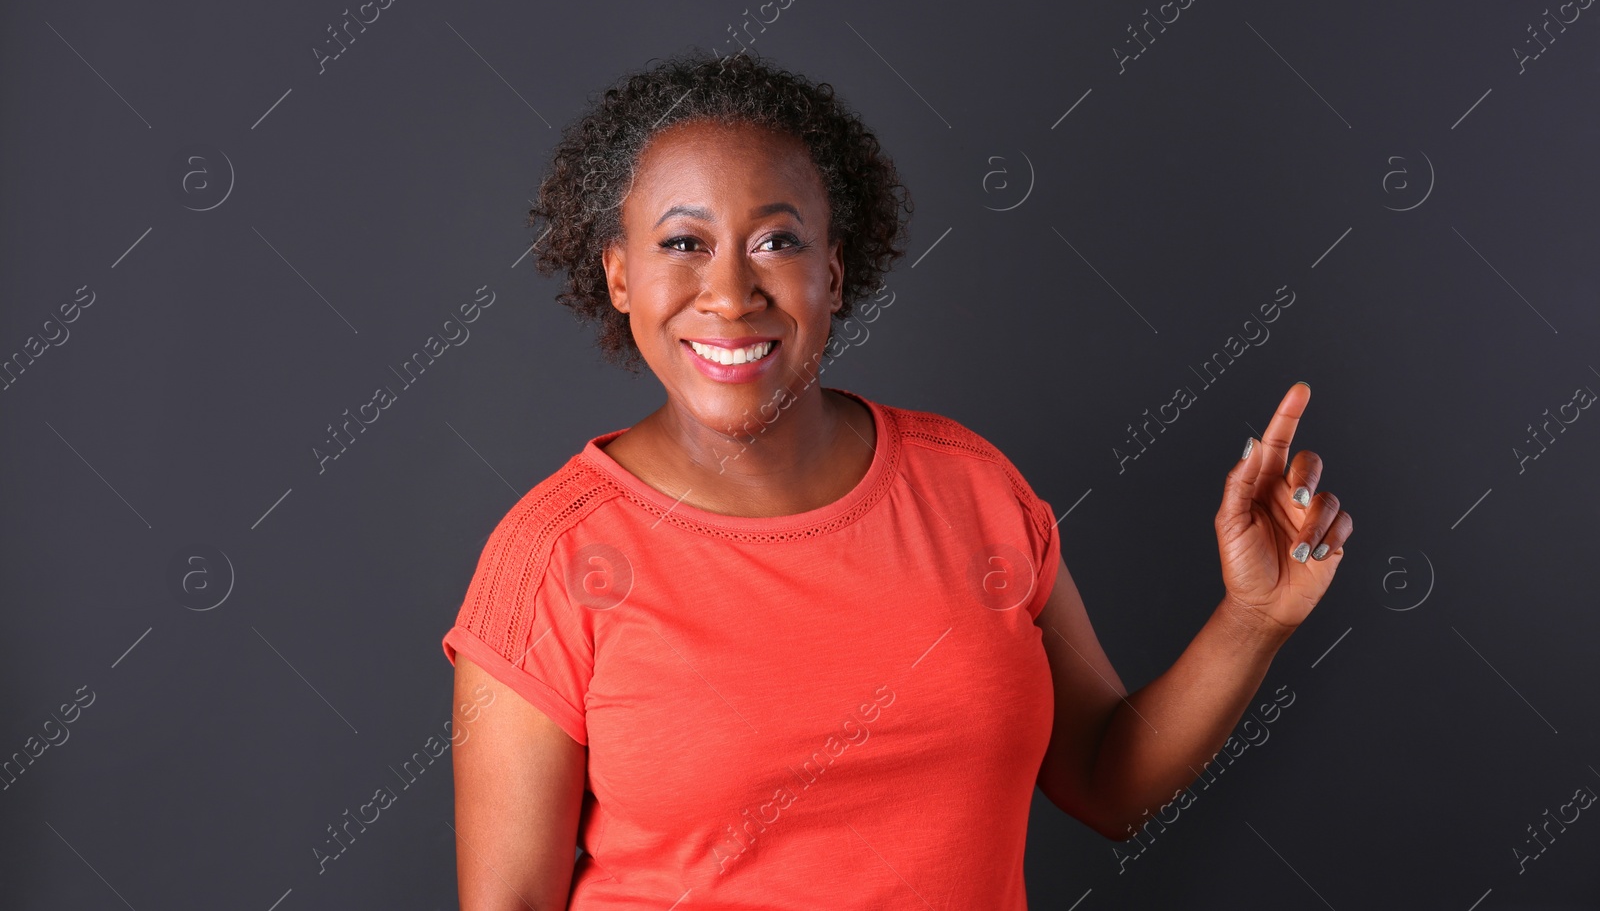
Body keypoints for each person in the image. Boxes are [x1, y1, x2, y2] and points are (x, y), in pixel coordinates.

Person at [441, 50, 1353, 910]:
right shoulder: (553, 555)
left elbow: (1109, 783)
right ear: (619, 276)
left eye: (776, 241)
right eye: (683, 243)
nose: (728, 293)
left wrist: (1254, 618)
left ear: (833, 273)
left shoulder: (974, 492)